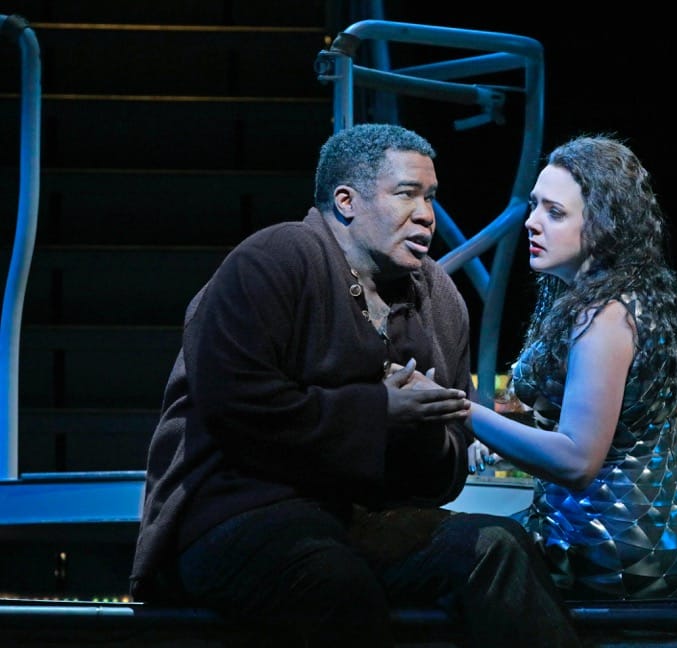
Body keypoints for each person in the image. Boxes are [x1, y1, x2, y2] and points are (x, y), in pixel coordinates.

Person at [128, 123, 581, 647]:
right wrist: (380, 410)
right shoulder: (274, 259)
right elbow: (238, 411)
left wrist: (425, 424)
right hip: (239, 516)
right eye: (406, 194)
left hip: (361, 520)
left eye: (431, 197)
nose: (427, 216)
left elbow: (447, 469)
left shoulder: (439, 299)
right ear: (346, 201)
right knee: (334, 583)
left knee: (497, 546)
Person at [405, 133, 677, 602]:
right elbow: (604, 430)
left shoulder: (606, 315)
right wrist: (501, 440)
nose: (531, 223)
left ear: (604, 226)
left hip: (607, 549)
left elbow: (577, 461)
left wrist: (460, 411)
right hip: (641, 534)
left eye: (555, 212)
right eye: (534, 206)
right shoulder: (611, 296)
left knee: (434, 550)